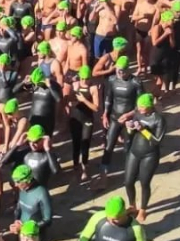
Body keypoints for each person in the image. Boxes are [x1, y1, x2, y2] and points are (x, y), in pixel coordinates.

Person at [116, 94, 166, 222]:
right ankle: (132, 205)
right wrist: (129, 129)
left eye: (142, 107)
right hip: (134, 151)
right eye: (139, 106)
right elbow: (131, 134)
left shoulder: (158, 119)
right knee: (128, 181)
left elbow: (157, 141)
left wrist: (143, 130)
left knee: (144, 183)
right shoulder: (138, 113)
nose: (140, 108)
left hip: (149, 154)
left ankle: (143, 209)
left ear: (149, 107)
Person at [99, 56, 143, 188]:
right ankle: (104, 176)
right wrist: (105, 114)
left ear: (128, 69)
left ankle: (130, 174)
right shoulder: (112, 80)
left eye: (122, 71)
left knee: (127, 148)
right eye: (118, 70)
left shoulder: (136, 82)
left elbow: (140, 106)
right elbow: (108, 98)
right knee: (108, 146)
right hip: (114, 118)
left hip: (128, 120)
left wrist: (129, 115)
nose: (119, 73)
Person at [67, 65, 100, 183]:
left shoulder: (93, 88)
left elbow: (96, 108)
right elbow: (68, 100)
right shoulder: (75, 85)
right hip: (75, 117)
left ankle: (85, 168)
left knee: (85, 144)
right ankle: (76, 166)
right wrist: (72, 100)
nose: (84, 81)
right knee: (76, 144)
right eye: (82, 78)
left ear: (90, 78)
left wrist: (84, 100)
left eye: (86, 79)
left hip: (87, 119)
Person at [9, 165, 53, 241]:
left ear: (27, 180)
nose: (15, 185)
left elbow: (47, 220)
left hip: (35, 238)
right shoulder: (22, 188)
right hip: (21, 233)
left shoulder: (42, 193)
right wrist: (16, 221)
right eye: (15, 181)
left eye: (18, 181)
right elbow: (18, 209)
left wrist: (24, 227)